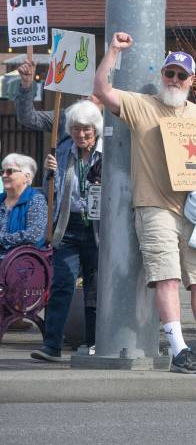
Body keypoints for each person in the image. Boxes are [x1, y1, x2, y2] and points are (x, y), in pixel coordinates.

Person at [92, 37, 196, 373]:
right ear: (162, 75)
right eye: (169, 73)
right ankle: (178, 350)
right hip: (154, 206)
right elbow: (102, 89)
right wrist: (114, 52)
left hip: (195, 206)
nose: (173, 80)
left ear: (191, 81)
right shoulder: (141, 104)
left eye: (180, 75)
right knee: (168, 278)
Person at [30, 102, 103, 363]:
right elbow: (56, 188)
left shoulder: (107, 154)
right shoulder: (63, 151)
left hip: (97, 229)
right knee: (62, 284)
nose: (81, 135)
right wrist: (51, 173)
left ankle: (94, 343)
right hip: (68, 226)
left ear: (95, 129)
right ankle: (52, 345)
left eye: (86, 130)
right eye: (75, 129)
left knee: (95, 288)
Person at [14, 55, 101, 135]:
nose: (87, 94)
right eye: (84, 90)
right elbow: (28, 118)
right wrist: (26, 84)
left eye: (93, 90)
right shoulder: (65, 117)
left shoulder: (112, 121)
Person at [0, 154, 46, 258]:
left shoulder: (35, 199)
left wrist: (2, 239)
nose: (4, 175)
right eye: (2, 172)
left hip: (20, 261)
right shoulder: (0, 199)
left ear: (27, 176)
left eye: (9, 171)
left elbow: (33, 235)